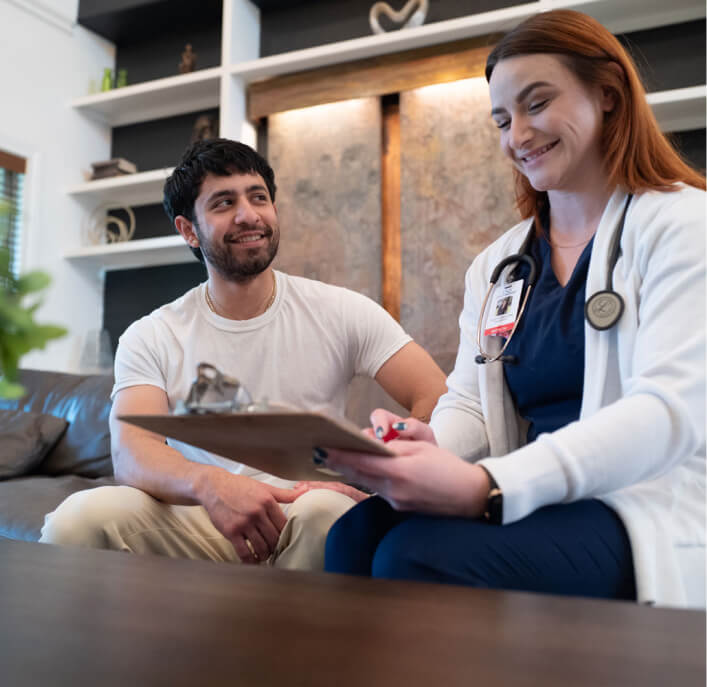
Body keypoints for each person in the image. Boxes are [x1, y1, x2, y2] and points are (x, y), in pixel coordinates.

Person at [322, 9, 706, 609]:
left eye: (536, 103)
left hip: (646, 502)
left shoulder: (683, 226)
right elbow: (472, 401)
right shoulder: (500, 265)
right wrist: (426, 448)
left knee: (415, 556)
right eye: (502, 119)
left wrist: (489, 485)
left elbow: (666, 412)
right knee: (353, 534)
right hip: (536, 493)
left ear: (607, 93)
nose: (517, 135)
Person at [40, 139, 447, 570]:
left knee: (326, 514)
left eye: (259, 197)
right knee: (76, 521)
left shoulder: (343, 311)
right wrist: (210, 484)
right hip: (197, 513)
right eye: (223, 202)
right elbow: (131, 452)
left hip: (302, 508)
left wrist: (377, 472)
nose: (249, 214)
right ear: (188, 230)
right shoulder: (152, 334)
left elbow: (436, 395)